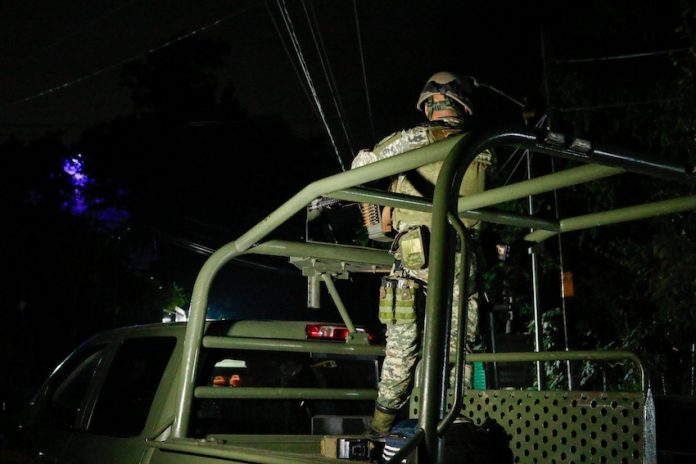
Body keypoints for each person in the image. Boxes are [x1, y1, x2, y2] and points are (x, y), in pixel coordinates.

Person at [351, 71, 492, 435]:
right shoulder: (485, 146)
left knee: (401, 352)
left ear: (428, 104)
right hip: (463, 262)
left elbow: (360, 168)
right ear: (463, 102)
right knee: (457, 351)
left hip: (416, 261)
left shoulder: (409, 141)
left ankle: (381, 432)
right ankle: (450, 428)